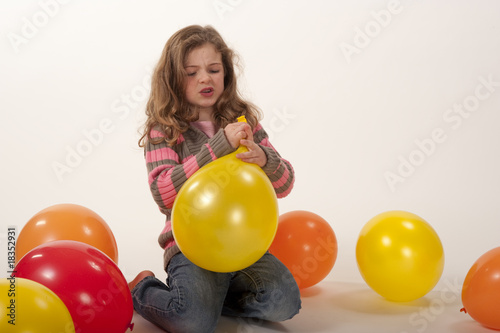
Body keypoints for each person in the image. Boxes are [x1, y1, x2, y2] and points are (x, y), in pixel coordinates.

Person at [130, 25, 301, 333]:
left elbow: (285, 183)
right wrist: (220, 145)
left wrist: (264, 157)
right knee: (192, 323)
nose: (205, 78)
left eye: (213, 69)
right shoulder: (165, 128)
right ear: (172, 80)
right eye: (191, 73)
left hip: (244, 245)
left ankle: (211, 299)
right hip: (190, 247)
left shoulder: (244, 120)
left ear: (226, 74)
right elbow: (163, 192)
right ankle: (141, 289)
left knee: (286, 303)